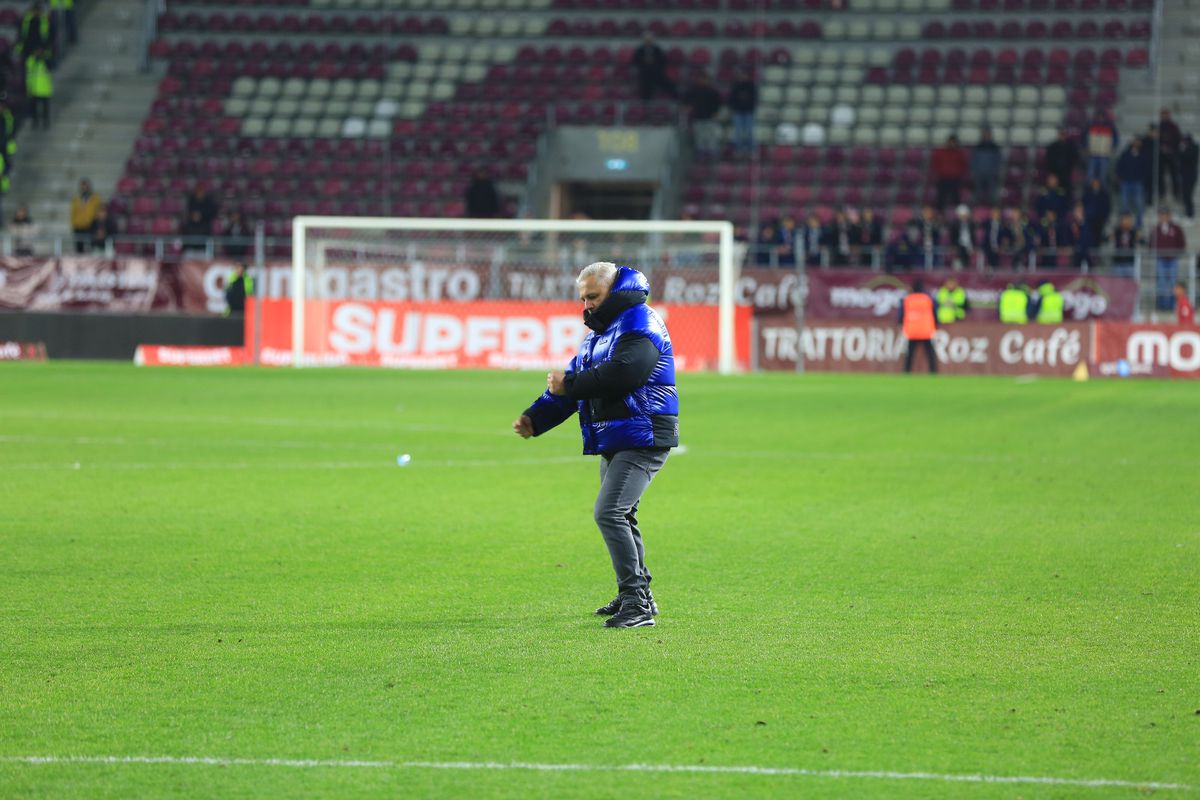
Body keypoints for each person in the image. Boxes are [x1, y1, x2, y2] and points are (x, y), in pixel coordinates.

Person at [512, 261, 678, 629]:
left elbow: (624, 374)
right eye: (582, 298)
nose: (585, 305)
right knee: (622, 513)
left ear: (615, 292)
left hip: (644, 432)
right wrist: (535, 418)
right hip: (620, 434)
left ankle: (636, 604)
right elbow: (572, 388)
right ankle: (638, 595)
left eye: (593, 296)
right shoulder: (599, 336)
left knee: (610, 512)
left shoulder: (641, 322)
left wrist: (569, 386)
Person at [1149, 207, 1186, 311]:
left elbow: (1181, 243)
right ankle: (1162, 305)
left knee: (1172, 282)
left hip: (1173, 259)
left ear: (1169, 215)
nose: (1164, 216)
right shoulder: (1156, 229)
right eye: (1162, 214)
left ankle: (1172, 305)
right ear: (1159, 216)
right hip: (1161, 259)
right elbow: (1151, 244)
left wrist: (1177, 253)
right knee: (1161, 282)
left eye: (1165, 214)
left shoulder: (1176, 228)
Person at [898, 278, 937, 373]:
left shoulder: (908, 299)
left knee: (910, 353)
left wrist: (900, 324)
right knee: (930, 353)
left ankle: (907, 371)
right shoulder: (928, 299)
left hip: (912, 330)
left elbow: (901, 315)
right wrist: (936, 324)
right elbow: (935, 313)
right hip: (926, 330)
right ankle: (933, 372)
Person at [681, 72, 722, 159]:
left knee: (711, 135)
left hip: (710, 117)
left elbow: (718, 103)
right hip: (698, 117)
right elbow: (685, 99)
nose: (703, 81)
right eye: (701, 79)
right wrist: (687, 106)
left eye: (705, 79)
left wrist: (716, 113)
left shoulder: (712, 91)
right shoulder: (694, 90)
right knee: (699, 136)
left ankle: (712, 151)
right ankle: (701, 152)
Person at [1115, 137, 1149, 229]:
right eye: (1135, 142)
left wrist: (1143, 179)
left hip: (1137, 182)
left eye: (1138, 143)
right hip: (1126, 182)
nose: (1136, 145)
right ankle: (1123, 223)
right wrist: (1119, 177)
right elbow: (1119, 166)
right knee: (1124, 204)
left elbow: (1146, 169)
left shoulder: (1143, 155)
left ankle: (1138, 224)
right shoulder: (1125, 154)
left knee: (1139, 204)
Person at [930, 134, 969, 210]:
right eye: (951, 142)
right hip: (943, 178)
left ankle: (959, 216)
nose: (952, 144)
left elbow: (963, 165)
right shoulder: (941, 152)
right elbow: (936, 164)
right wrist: (939, 173)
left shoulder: (959, 153)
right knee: (940, 198)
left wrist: (959, 173)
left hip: (955, 178)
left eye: (953, 142)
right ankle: (940, 215)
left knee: (956, 198)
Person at [631, 34, 674, 102]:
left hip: (656, 72)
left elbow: (663, 61)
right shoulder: (640, 50)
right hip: (644, 73)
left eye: (650, 40)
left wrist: (655, 64)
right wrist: (644, 62)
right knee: (645, 83)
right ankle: (646, 101)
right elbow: (635, 61)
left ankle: (674, 97)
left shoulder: (657, 50)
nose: (648, 42)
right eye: (647, 40)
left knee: (666, 82)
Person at [727, 66, 757, 159]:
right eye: (741, 75)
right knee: (738, 132)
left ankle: (751, 150)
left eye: (744, 75)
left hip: (748, 112)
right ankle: (739, 150)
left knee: (749, 132)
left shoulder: (751, 86)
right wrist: (734, 108)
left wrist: (751, 109)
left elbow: (755, 99)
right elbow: (731, 99)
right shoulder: (735, 86)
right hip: (738, 113)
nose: (742, 77)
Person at [970, 128, 1002, 207]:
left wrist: (995, 171)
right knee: (977, 192)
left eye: (988, 134)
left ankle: (993, 208)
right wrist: (974, 171)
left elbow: (997, 161)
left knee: (992, 193)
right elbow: (974, 160)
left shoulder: (994, 147)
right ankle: (975, 208)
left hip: (991, 174)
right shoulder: (978, 147)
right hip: (979, 173)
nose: (986, 136)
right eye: (985, 134)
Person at [1043, 128, 1081, 197]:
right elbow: (1049, 160)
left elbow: (1075, 158)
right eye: (1061, 134)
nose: (1062, 136)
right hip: (1055, 174)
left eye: (1064, 134)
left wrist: (1070, 168)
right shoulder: (1053, 146)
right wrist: (1052, 173)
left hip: (1067, 175)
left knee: (1066, 194)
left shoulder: (1071, 146)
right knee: (1054, 192)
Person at [69, 178, 100, 254]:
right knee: (79, 247)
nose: (84, 188)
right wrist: (74, 223)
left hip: (90, 226)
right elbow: (73, 212)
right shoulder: (76, 199)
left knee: (91, 246)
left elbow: (98, 211)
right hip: (78, 226)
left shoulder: (95, 198)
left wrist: (94, 223)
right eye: (83, 186)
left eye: (86, 186)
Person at [1157, 109, 1182, 203]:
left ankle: (1176, 194)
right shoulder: (1159, 127)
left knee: (1174, 175)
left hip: (1172, 155)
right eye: (1162, 115)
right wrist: (1161, 147)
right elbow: (1155, 141)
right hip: (1161, 155)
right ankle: (1161, 193)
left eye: (1166, 115)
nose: (1164, 117)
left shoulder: (1174, 127)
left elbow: (1178, 140)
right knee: (1160, 175)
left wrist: (1171, 148)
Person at [1086, 112, 1119, 183]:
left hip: (1104, 155)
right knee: (1090, 175)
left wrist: (1113, 148)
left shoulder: (1110, 127)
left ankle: (1102, 192)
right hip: (1093, 154)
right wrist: (1086, 147)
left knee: (1103, 176)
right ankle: (1089, 191)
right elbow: (1085, 137)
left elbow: (1116, 138)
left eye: (1102, 117)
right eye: (1099, 117)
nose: (1100, 119)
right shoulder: (1091, 125)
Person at [1107, 212, 1142, 278]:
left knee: (1129, 284)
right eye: (1124, 219)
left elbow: (1141, 240)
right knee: (1118, 284)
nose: (1126, 221)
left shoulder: (1133, 231)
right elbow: (1108, 237)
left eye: (1128, 219)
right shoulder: (1117, 231)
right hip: (1118, 262)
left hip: (1129, 262)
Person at [24, 47, 52, 130]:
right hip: (34, 88)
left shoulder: (45, 60)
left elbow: (50, 66)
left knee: (45, 107)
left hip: (44, 88)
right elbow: (29, 67)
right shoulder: (31, 60)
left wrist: (43, 59)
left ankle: (45, 121)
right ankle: (35, 121)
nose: (38, 53)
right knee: (34, 107)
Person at [1179, 133, 1197, 221]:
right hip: (1184, 176)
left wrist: (1183, 150)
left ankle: (1190, 214)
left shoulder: (1194, 148)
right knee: (1185, 195)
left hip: (1191, 176)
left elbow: (1189, 158)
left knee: (1188, 195)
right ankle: (1187, 213)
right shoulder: (1184, 149)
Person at [949, 203, 974, 268]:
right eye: (962, 215)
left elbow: (973, 236)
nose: (964, 217)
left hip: (968, 245)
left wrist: (974, 245)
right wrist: (953, 245)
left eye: (965, 215)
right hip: (959, 245)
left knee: (967, 261)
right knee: (958, 261)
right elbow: (953, 236)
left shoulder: (971, 224)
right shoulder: (955, 225)